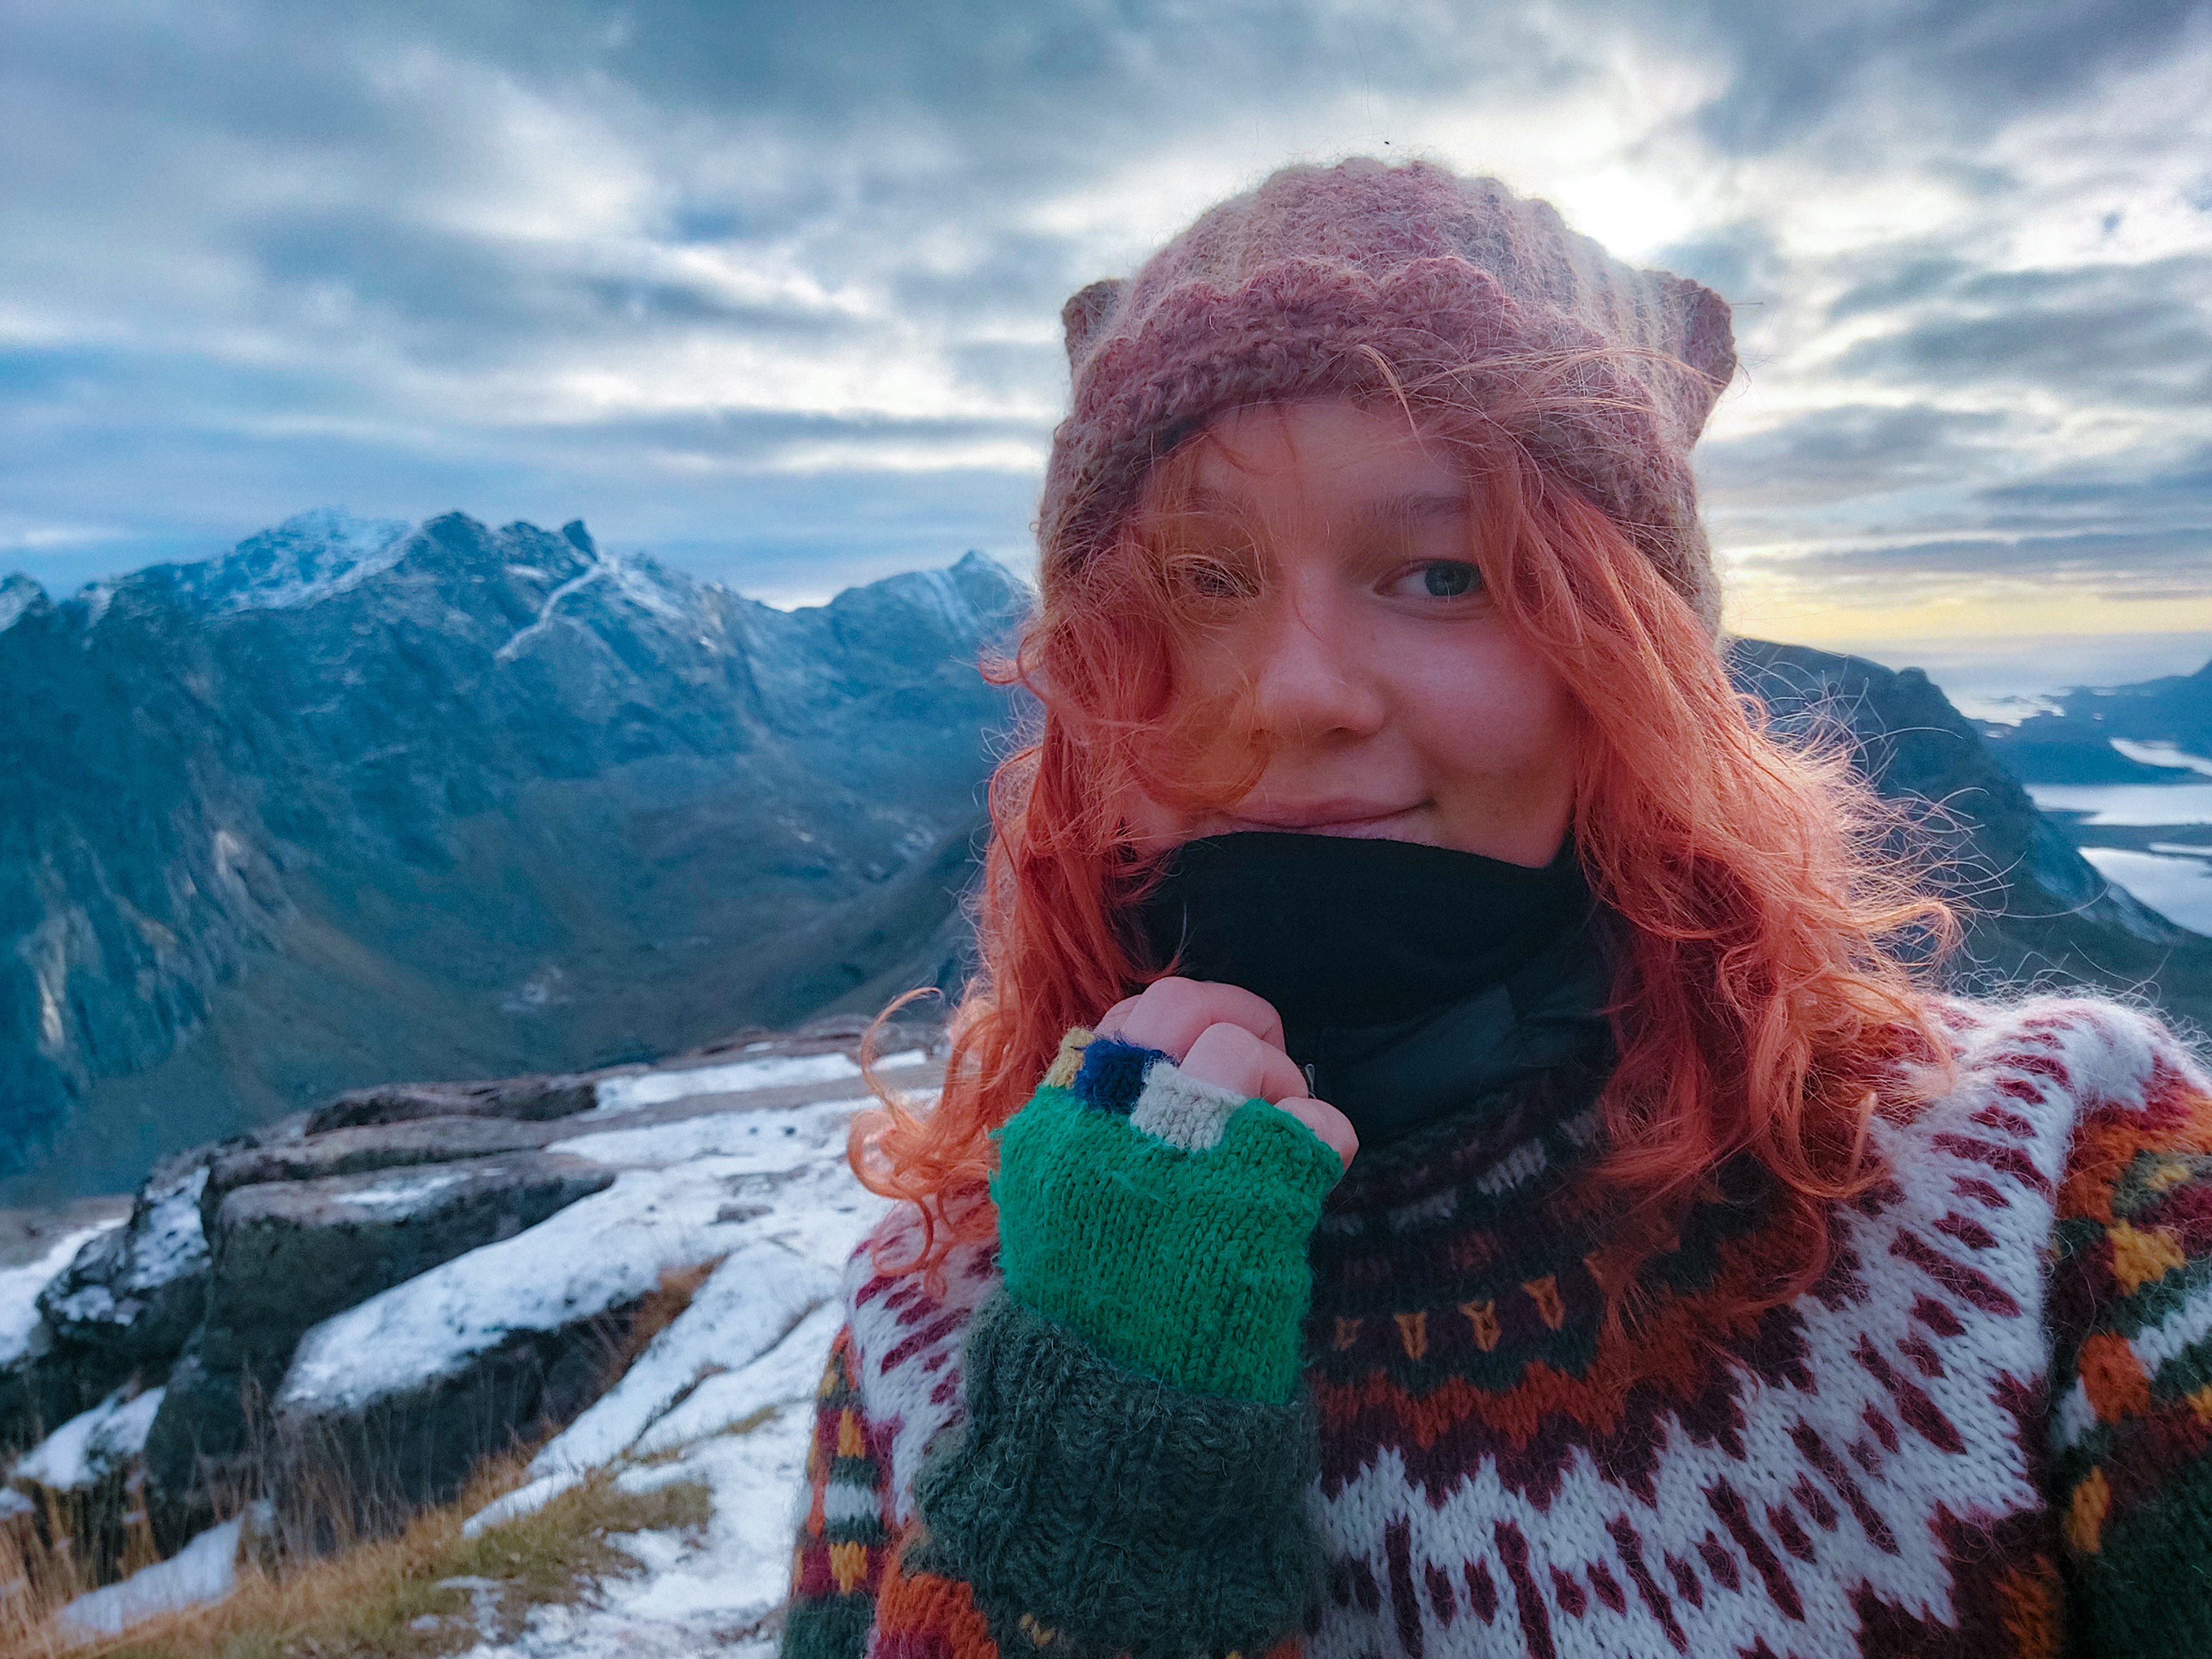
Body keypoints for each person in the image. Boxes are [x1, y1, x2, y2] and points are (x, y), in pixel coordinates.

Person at [776, 158, 2212, 1659]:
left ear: (1628, 681)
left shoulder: (2050, 1207)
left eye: (1445, 573)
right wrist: (1090, 1459)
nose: (1296, 691)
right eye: (1201, 581)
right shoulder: (936, 1324)